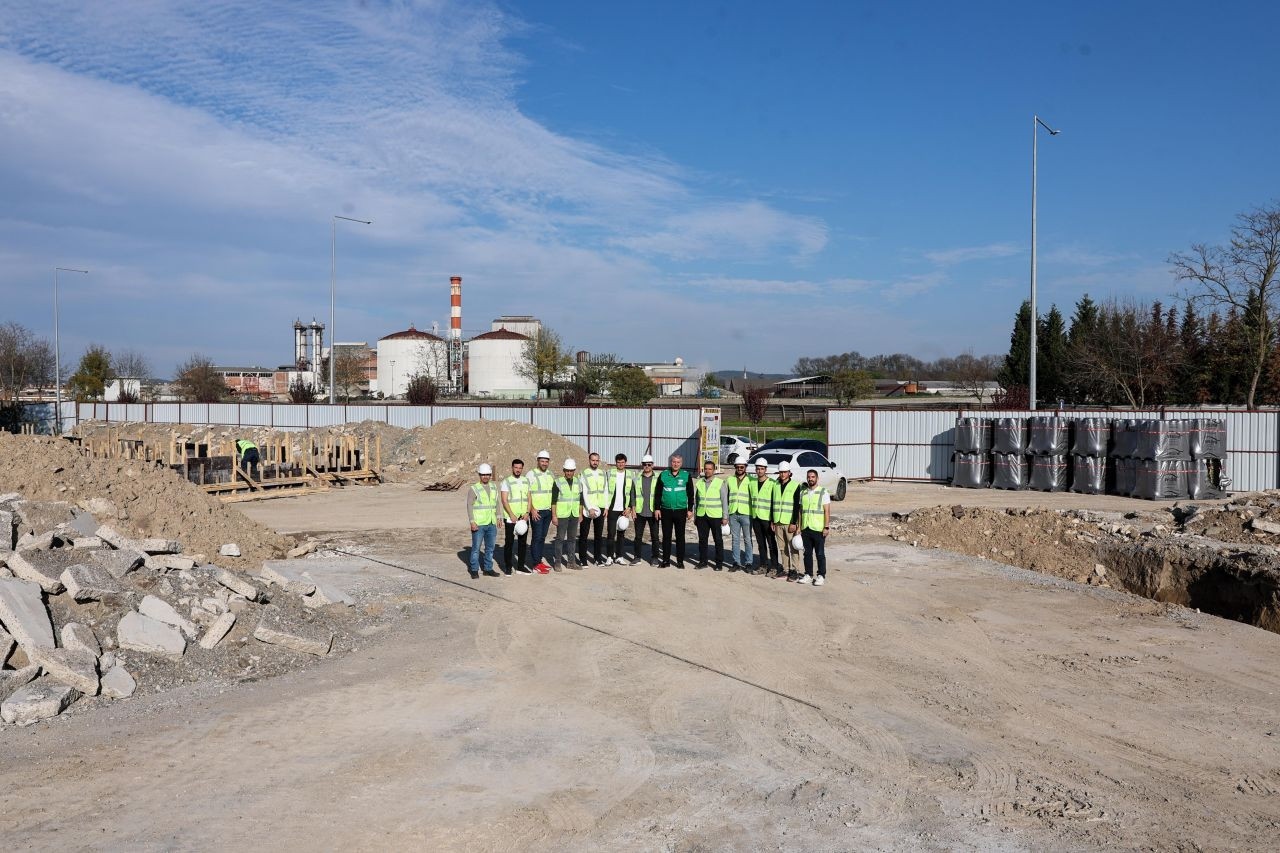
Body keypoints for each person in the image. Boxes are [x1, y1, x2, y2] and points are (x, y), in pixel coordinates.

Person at [655, 454, 694, 568]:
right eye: (673, 462)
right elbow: (658, 493)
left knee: (680, 537)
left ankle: (680, 561)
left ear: (681, 463)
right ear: (670, 463)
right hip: (666, 510)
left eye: (678, 462)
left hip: (680, 510)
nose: (675, 464)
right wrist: (657, 508)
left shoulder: (686, 475)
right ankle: (666, 561)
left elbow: (690, 494)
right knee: (666, 537)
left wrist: (690, 509)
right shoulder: (663, 475)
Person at [794, 468, 831, 586]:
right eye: (809, 477)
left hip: (818, 529)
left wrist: (826, 527)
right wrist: (799, 527)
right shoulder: (803, 492)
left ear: (817, 478)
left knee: (820, 554)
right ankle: (808, 575)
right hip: (806, 528)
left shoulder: (823, 492)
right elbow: (801, 511)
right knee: (807, 554)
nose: (810, 479)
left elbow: (827, 511)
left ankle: (821, 575)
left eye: (813, 477)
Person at [467, 463, 500, 579]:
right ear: (479, 475)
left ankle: (488, 569)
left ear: (490, 475)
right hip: (479, 524)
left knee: (490, 548)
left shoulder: (494, 487)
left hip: (491, 523)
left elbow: (496, 503)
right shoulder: (474, 489)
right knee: (476, 548)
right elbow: (469, 506)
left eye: (487, 474)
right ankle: (474, 570)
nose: (485, 476)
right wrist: (472, 522)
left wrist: (499, 517)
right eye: (483, 474)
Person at [550, 458, 584, 571]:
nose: (569, 473)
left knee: (572, 539)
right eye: (567, 470)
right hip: (562, 515)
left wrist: (580, 514)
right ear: (564, 470)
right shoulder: (558, 482)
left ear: (574, 471)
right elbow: (553, 501)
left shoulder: (578, 482)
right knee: (560, 539)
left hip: (574, 515)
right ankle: (558, 563)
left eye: (571, 471)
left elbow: (581, 500)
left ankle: (571, 562)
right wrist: (554, 516)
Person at [499, 458, 532, 575]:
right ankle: (508, 567)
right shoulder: (506, 481)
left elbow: (529, 498)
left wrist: (527, 512)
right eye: (516, 467)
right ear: (512, 468)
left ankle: (520, 567)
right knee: (509, 543)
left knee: (523, 543)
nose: (518, 470)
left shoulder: (526, 481)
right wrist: (511, 514)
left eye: (520, 468)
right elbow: (504, 500)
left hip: (523, 517)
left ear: (522, 469)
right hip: (511, 518)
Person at [693, 460, 728, 570]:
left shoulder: (720, 483)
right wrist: (695, 516)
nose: (707, 471)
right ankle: (703, 561)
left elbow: (724, 500)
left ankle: (719, 563)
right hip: (702, 515)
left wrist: (725, 516)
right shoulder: (699, 483)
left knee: (718, 540)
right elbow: (696, 501)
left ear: (714, 470)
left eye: (710, 469)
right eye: (706, 469)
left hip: (715, 516)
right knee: (702, 540)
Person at [772, 461, 803, 581]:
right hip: (778, 521)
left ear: (789, 473)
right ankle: (786, 569)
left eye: (785, 472)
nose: (782, 474)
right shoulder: (775, 485)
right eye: (781, 472)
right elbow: (773, 503)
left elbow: (796, 506)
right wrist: (772, 520)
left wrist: (794, 523)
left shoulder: (795, 486)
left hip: (789, 522)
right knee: (782, 547)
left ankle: (795, 570)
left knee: (793, 547)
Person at [578, 452, 609, 566]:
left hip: (600, 507)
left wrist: (606, 507)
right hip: (588, 508)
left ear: (599, 461)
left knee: (598, 536)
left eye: (597, 460)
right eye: (593, 460)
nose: (595, 462)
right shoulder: (584, 473)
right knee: (584, 535)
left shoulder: (603, 473)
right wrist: (589, 508)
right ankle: (583, 560)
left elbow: (606, 490)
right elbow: (584, 492)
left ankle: (597, 558)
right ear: (589, 461)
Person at [526, 450, 555, 574]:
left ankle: (539, 560)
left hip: (547, 511)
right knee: (537, 537)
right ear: (538, 461)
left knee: (542, 537)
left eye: (546, 461)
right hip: (537, 512)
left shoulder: (550, 474)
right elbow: (527, 493)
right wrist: (532, 509)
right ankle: (535, 564)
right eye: (542, 461)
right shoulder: (531, 474)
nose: (544, 463)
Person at [749, 460, 778, 575]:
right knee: (761, 544)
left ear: (765, 469)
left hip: (767, 519)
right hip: (756, 517)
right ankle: (763, 566)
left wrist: (773, 519)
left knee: (771, 544)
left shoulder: (772, 483)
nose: (760, 471)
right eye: (758, 468)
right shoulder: (752, 483)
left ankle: (774, 566)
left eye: (762, 469)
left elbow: (774, 502)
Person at [725, 457, 754, 573]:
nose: (739, 468)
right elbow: (726, 497)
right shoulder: (729, 480)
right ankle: (736, 562)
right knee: (735, 539)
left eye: (742, 467)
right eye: (737, 467)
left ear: (745, 467)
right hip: (733, 513)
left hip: (747, 513)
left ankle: (748, 563)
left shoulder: (751, 480)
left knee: (747, 539)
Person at [605, 453, 635, 565]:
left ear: (625, 463)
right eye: (619, 462)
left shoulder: (630, 474)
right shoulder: (610, 473)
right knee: (611, 534)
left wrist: (629, 508)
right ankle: (609, 556)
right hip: (612, 508)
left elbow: (632, 492)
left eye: (622, 462)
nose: (621, 464)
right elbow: (606, 490)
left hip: (624, 509)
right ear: (616, 463)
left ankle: (619, 556)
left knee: (621, 533)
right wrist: (606, 507)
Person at [631, 454, 660, 565]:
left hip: (653, 512)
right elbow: (633, 494)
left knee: (655, 537)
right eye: (645, 464)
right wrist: (633, 509)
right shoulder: (636, 478)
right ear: (642, 465)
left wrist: (659, 509)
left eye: (649, 464)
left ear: (653, 465)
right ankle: (637, 557)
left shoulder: (658, 478)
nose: (647, 466)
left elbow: (660, 495)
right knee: (638, 537)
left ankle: (655, 558)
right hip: (640, 512)